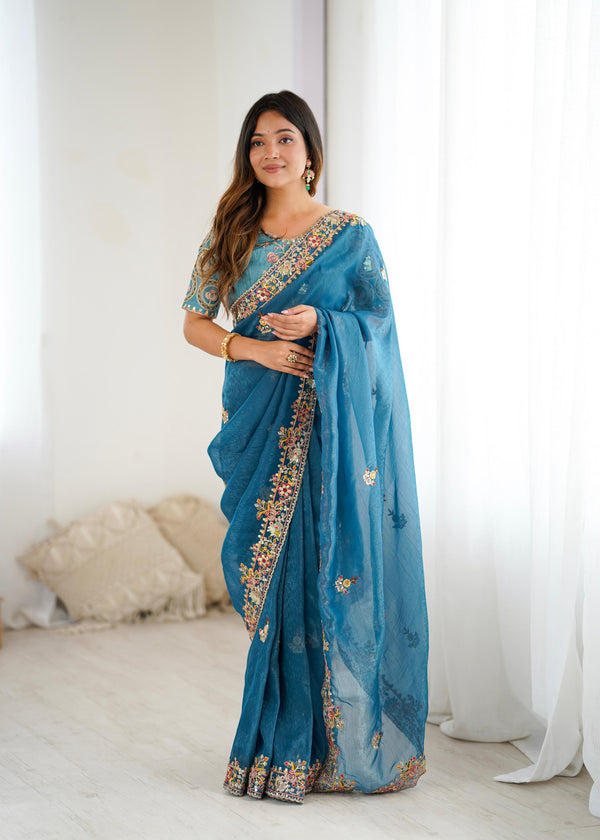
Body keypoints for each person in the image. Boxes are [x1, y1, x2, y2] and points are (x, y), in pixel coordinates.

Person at [182, 91, 428, 804]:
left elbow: (377, 328)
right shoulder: (231, 233)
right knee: (279, 581)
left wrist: (323, 322)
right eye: (258, 141)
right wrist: (252, 347)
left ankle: (339, 747)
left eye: (285, 139)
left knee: (331, 571)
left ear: (311, 153)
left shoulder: (350, 234)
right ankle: (281, 750)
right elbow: (195, 322)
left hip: (331, 430)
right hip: (261, 423)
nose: (270, 152)